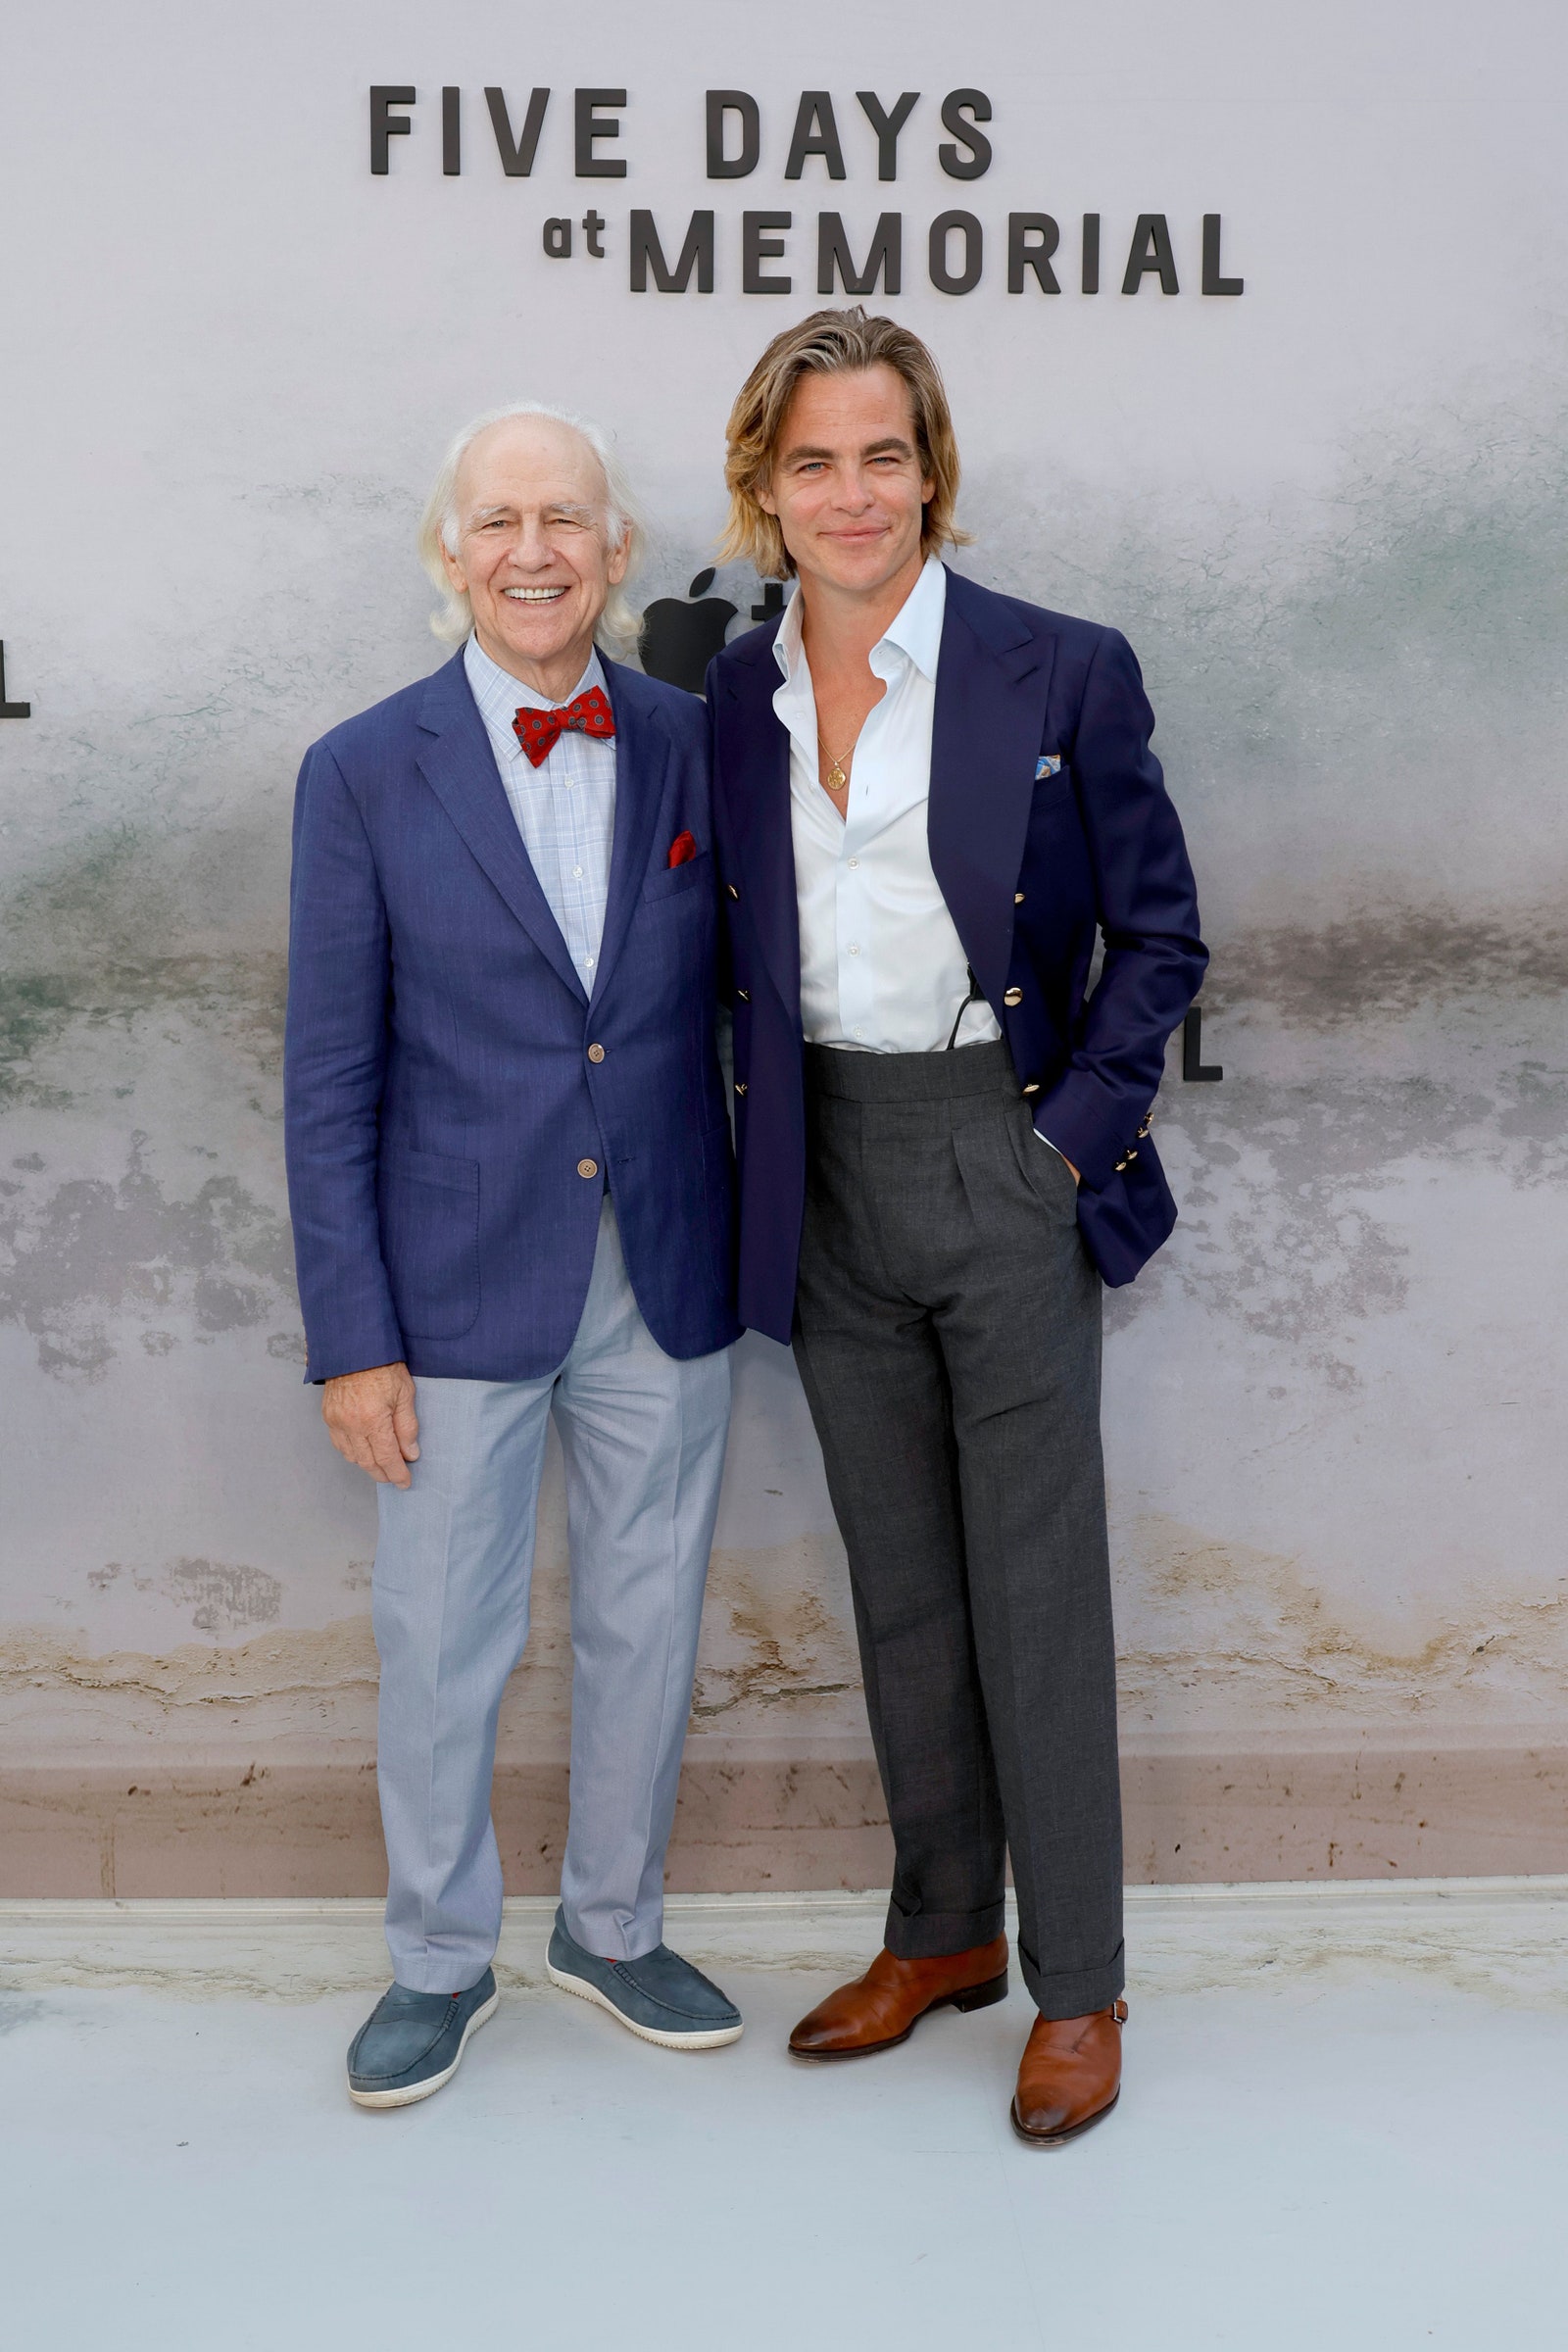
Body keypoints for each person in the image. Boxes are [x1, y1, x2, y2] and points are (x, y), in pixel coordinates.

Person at [708, 310, 1206, 2146]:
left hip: (999, 1156)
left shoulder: (1060, 671)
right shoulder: (726, 707)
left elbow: (1160, 937)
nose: (855, 495)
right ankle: (942, 1937)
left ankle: (1081, 1984)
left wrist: (1068, 1143)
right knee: (901, 1588)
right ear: (764, 490)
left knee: (1035, 1597)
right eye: (814, 461)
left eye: (885, 455)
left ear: (935, 471)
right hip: (819, 1170)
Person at [284, 403, 744, 2108]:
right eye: (497, 521)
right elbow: (327, 1077)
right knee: (444, 1635)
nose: (533, 550)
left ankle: (613, 1926)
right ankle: (437, 1959)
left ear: (618, 552)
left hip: (666, 1265)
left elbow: (742, 1008)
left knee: (648, 1613)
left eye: (566, 519)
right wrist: (352, 1333)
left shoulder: (703, 748)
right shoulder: (359, 769)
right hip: (454, 1282)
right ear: (450, 553)